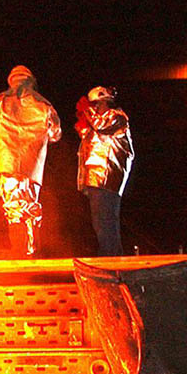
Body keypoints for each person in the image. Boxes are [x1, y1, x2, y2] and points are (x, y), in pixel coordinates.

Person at [0, 65, 62, 257]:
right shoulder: (44, 104)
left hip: (6, 163)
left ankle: (19, 251)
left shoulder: (0, 101)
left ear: (11, 81)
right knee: (30, 208)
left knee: (14, 208)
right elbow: (56, 134)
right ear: (32, 82)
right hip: (32, 168)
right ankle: (32, 251)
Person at [74, 85, 134, 256]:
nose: (94, 109)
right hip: (96, 177)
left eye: (96, 105)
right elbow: (89, 137)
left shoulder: (117, 117)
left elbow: (100, 125)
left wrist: (87, 111)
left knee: (105, 220)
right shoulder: (103, 122)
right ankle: (110, 255)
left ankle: (110, 257)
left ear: (105, 102)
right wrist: (83, 122)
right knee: (100, 220)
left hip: (106, 177)